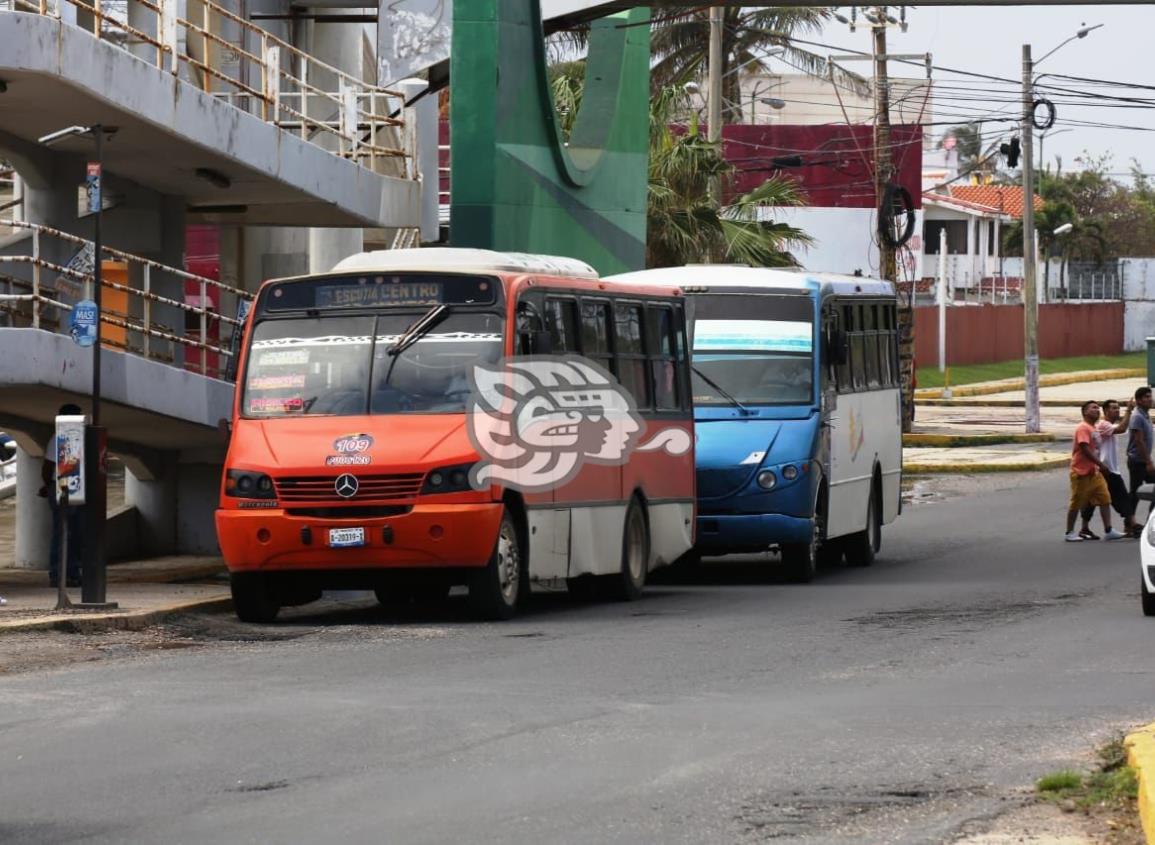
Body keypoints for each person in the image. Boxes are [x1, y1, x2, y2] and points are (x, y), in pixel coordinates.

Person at [39, 403, 85, 588]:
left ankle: (70, 572)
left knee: (72, 532)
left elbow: (48, 468)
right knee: (63, 531)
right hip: (63, 488)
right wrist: (50, 486)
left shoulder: (70, 437)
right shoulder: (60, 438)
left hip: (68, 487)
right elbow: (48, 467)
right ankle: (59, 573)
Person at [1066, 400, 1125, 542]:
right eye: (1093, 408)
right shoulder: (1083, 428)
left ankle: (1109, 529)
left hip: (1094, 472)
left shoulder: (1093, 428)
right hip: (1081, 472)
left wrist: (1098, 466)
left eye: (1098, 408)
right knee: (1077, 502)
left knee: (1105, 498)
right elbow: (1085, 449)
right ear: (1085, 412)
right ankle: (1069, 532)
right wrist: (1100, 464)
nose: (1097, 410)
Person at [1080, 398, 1138, 539]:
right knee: (1121, 497)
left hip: (1107, 468)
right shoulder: (1103, 425)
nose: (1117, 410)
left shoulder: (1106, 426)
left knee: (1094, 499)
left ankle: (1085, 528)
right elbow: (1122, 429)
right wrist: (1129, 410)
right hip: (1106, 469)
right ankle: (1132, 524)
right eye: (1113, 408)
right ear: (1105, 411)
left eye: (1118, 408)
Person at [1128, 386, 1155, 523]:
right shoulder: (1137, 416)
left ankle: (1150, 521)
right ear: (1138, 401)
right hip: (1138, 461)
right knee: (1135, 492)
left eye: (1150, 396)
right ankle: (1130, 522)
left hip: (1143, 460)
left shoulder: (1145, 414)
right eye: (1146, 397)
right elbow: (1139, 441)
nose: (1150, 399)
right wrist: (1149, 462)